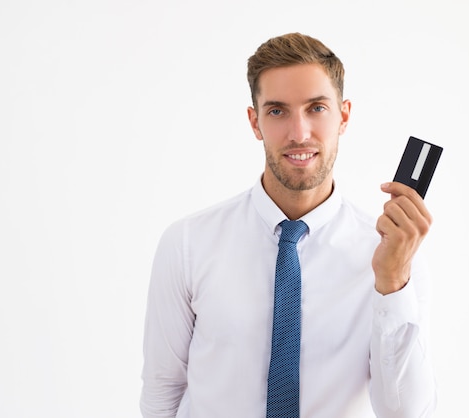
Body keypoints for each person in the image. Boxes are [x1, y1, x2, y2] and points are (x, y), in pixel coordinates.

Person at [140, 32, 437, 417]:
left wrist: (393, 281)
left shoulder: (395, 257)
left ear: (343, 115)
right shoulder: (188, 244)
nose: (299, 133)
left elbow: (407, 413)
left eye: (316, 108)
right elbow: (163, 391)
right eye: (278, 111)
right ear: (255, 121)